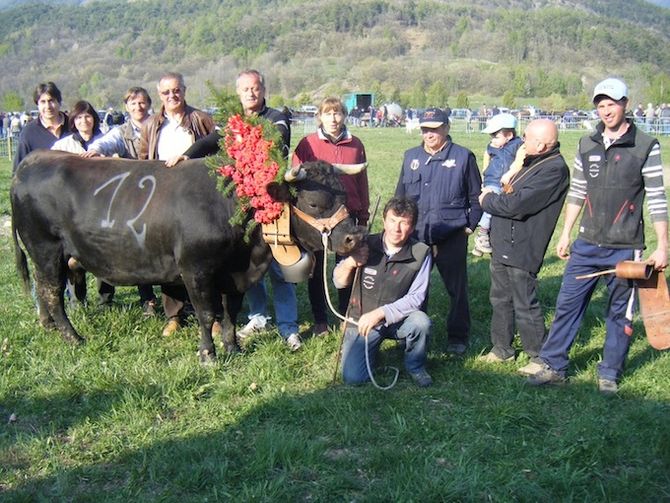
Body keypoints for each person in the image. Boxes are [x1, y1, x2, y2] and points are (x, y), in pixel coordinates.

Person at [527, 78, 668, 394]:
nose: (606, 110)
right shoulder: (586, 144)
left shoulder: (646, 146)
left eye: (612, 103)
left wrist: (663, 246)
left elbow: (657, 197)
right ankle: (554, 366)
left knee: (619, 314)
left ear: (625, 104)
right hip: (586, 244)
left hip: (626, 247)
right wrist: (565, 234)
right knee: (567, 305)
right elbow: (577, 191)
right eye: (601, 104)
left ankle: (609, 373)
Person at [167, 69, 300, 351]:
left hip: (271, 204)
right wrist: (188, 155)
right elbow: (211, 141)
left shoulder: (277, 119)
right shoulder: (233, 121)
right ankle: (258, 316)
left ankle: (289, 327)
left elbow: (275, 145)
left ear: (263, 90)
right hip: (241, 205)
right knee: (248, 263)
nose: (251, 93)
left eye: (255, 88)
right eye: (245, 90)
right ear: (238, 93)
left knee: (278, 266)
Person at [477, 119, 569, 374]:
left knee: (524, 301)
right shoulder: (530, 160)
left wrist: (487, 200)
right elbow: (509, 189)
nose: (522, 142)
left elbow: (515, 205)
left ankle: (539, 355)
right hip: (503, 240)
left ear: (541, 144)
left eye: (526, 138)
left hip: (524, 244)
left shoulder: (553, 169)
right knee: (500, 298)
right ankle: (501, 349)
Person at [395, 107, 482, 355]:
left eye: (434, 129)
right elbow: (400, 196)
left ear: (446, 128)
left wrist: (469, 226)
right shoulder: (410, 156)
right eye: (425, 129)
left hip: (451, 235)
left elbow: (476, 198)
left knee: (457, 290)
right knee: (413, 288)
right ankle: (413, 334)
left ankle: (458, 336)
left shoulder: (464, 157)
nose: (429, 134)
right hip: (417, 236)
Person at [138, 71, 216, 337]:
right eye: (166, 92)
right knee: (169, 255)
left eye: (176, 90)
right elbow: (143, 158)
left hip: (198, 197)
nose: (172, 96)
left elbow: (216, 151)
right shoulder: (151, 124)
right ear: (159, 95)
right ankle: (174, 315)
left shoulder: (201, 119)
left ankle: (212, 315)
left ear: (184, 90)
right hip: (162, 197)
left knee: (205, 255)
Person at [292, 96, 369, 335]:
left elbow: (361, 181)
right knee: (316, 269)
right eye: (327, 114)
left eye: (337, 114)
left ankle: (347, 314)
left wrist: (363, 212)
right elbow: (296, 178)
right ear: (320, 117)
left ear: (344, 116)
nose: (333, 119)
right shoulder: (307, 144)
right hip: (319, 218)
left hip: (347, 215)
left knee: (348, 265)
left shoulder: (355, 144)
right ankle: (320, 320)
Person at [335, 197, 433, 387]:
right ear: (383, 220)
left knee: (421, 322)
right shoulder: (364, 244)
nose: (397, 229)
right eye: (392, 220)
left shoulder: (421, 252)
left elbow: (416, 298)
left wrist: (381, 313)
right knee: (354, 379)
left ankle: (416, 366)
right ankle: (370, 351)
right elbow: (338, 282)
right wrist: (350, 263)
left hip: (398, 320)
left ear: (412, 227)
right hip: (362, 322)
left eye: (404, 223)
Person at [83, 87, 158, 315]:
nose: (138, 107)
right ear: (127, 106)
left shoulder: (159, 126)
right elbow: (104, 143)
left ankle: (159, 299)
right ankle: (113, 297)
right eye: (133, 103)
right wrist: (94, 150)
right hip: (132, 196)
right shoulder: (122, 132)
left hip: (161, 192)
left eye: (142, 102)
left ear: (149, 104)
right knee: (124, 241)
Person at [472, 112, 523, 256]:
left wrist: (509, 175)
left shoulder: (518, 146)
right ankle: (482, 234)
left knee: (503, 208)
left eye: (496, 136)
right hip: (493, 181)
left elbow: (519, 162)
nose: (493, 140)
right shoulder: (491, 148)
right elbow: (486, 162)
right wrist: (484, 179)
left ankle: (484, 241)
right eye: (491, 136)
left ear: (509, 135)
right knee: (491, 206)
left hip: (505, 181)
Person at [13, 82, 69, 174]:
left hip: (75, 186)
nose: (48, 106)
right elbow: (18, 170)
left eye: (51, 101)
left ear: (59, 102)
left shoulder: (74, 126)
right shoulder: (29, 133)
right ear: (37, 105)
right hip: (41, 186)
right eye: (43, 102)